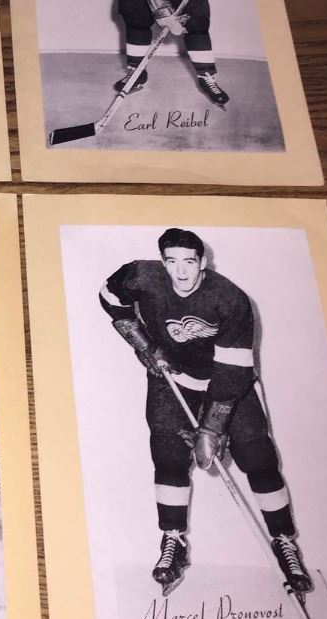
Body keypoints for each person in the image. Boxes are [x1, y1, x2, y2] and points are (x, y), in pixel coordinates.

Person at [98, 228, 312, 596]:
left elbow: (233, 370)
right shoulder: (142, 276)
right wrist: (144, 346)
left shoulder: (229, 299)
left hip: (227, 382)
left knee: (257, 458)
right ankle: (174, 540)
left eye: (189, 262)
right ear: (163, 262)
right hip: (174, 377)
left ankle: (283, 540)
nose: (180, 271)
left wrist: (211, 430)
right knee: (167, 456)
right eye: (172, 262)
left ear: (204, 262)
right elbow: (109, 296)